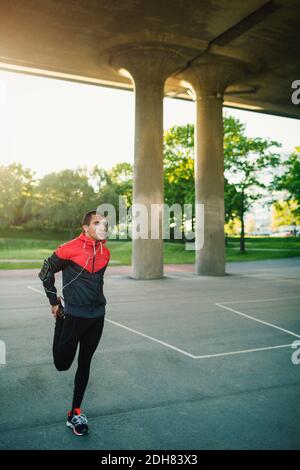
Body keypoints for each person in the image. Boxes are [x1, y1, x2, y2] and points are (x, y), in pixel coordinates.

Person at [38, 210, 110, 436]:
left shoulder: (106, 253)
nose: (102, 226)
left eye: (105, 224)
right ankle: (58, 322)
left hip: (96, 316)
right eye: (97, 223)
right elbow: (46, 271)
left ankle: (75, 413)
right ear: (85, 228)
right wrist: (53, 300)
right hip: (73, 317)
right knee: (62, 364)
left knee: (85, 362)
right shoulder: (68, 249)